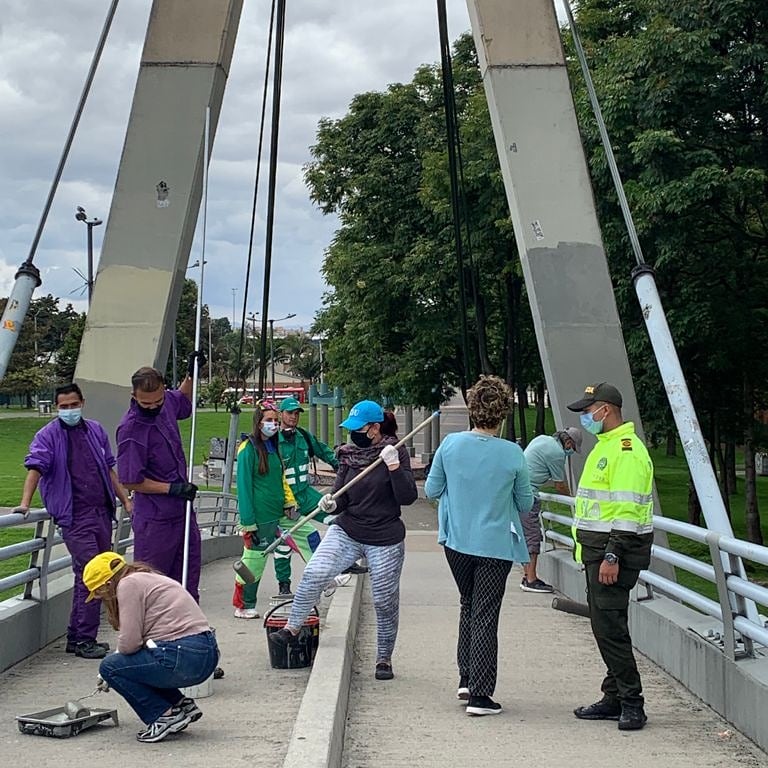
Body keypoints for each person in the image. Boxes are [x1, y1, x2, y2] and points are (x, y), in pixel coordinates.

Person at [270, 400, 417, 681]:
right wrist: (330, 502)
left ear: (374, 429)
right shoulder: (349, 456)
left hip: (385, 537)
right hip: (348, 530)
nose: (353, 434)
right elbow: (341, 496)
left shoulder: (394, 452)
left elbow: (407, 497)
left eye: (358, 428)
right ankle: (292, 628)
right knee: (315, 571)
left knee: (385, 600)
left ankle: (384, 658)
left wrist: (395, 467)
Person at [425, 375, 533, 716]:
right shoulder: (513, 453)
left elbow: (431, 490)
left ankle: (466, 676)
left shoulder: (451, 445)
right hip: (494, 545)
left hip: (456, 542)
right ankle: (481, 695)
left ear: (472, 408)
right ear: (502, 413)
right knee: (486, 613)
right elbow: (526, 502)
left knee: (468, 604)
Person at [15, 383, 131, 659]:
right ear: (56, 408)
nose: (69, 410)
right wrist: (24, 503)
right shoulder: (48, 436)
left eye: (73, 405)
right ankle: (83, 638)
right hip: (74, 517)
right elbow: (35, 469)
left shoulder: (95, 431)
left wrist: (125, 500)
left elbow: (109, 469)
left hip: (101, 512)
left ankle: (79, 636)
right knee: (94, 575)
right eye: (63, 407)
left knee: (101, 573)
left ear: (82, 403)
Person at [566, 382, 653, 731]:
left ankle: (632, 702)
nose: (586, 417)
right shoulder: (609, 446)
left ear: (607, 409)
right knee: (606, 627)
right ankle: (614, 696)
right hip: (598, 552)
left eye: (589, 411)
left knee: (610, 629)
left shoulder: (627, 451)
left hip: (611, 554)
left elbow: (627, 512)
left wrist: (613, 555)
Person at [84, 551, 219, 743]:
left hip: (182, 655)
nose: (98, 598)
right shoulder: (148, 577)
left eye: (98, 592)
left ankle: (163, 715)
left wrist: (108, 671)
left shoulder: (127, 585)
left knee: (110, 667)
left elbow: (130, 643)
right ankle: (180, 704)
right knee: (139, 662)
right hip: (205, 651)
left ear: (108, 583)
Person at [233, 401, 345, 617]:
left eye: (275, 421)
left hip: (280, 513)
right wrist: (248, 523)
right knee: (253, 563)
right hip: (260, 518)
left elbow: (282, 479)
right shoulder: (247, 450)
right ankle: (244, 605)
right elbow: (244, 489)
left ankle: (325, 578)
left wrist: (289, 503)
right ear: (258, 422)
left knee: (310, 536)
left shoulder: (273, 447)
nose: (273, 425)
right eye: (269, 420)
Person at [116, 358, 202, 601]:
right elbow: (130, 480)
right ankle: (154, 633)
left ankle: (188, 630)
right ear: (134, 395)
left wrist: (191, 374)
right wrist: (170, 489)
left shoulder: (165, 405)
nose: (152, 407)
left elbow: (182, 400)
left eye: (157, 401)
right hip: (155, 519)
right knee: (155, 583)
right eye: (146, 403)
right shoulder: (131, 430)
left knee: (186, 579)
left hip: (182, 513)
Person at [275, 395, 365, 595]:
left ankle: (344, 563)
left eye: (297, 413)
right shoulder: (274, 441)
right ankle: (284, 584)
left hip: (306, 493)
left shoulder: (304, 436)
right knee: (285, 544)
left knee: (338, 519)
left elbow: (325, 452)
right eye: (290, 413)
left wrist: (343, 467)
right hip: (286, 498)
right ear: (281, 414)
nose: (294, 417)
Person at [520, 427, 582, 593]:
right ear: (568, 442)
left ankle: (527, 575)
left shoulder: (542, 439)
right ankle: (531, 580)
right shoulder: (557, 453)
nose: (571, 452)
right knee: (533, 536)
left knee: (525, 536)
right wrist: (572, 500)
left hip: (519, 492)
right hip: (528, 495)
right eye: (572, 448)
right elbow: (559, 484)